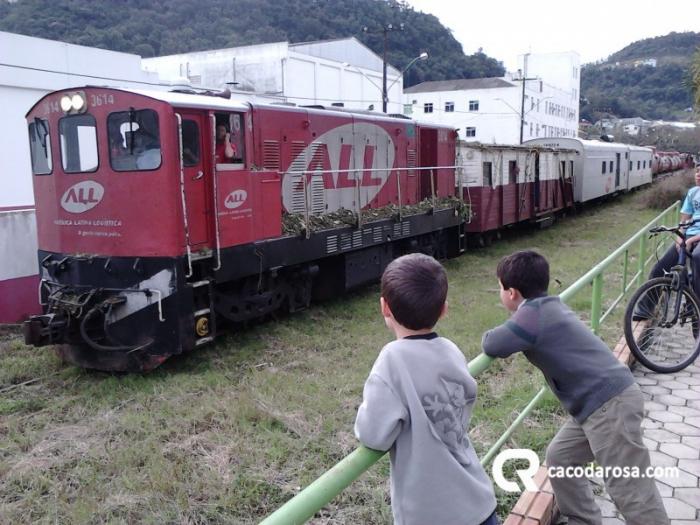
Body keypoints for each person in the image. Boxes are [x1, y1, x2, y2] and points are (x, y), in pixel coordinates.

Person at [482, 250, 669, 525]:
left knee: (629, 486)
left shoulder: (530, 318)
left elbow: (492, 344)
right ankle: (582, 519)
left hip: (609, 405)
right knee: (561, 457)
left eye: (499, 288)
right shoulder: (548, 304)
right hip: (599, 404)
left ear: (511, 293)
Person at [354, 253, 499, 525]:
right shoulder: (451, 350)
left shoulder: (392, 360)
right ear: (444, 309)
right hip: (479, 504)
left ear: (384, 307)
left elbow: (373, 435)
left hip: (431, 514)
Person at [646, 166, 700, 296]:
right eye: (697, 172)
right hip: (688, 235)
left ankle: (696, 304)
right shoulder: (693, 192)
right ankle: (643, 312)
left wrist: (692, 240)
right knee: (660, 268)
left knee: (697, 258)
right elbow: (684, 219)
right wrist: (680, 236)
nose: (698, 175)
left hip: (696, 237)